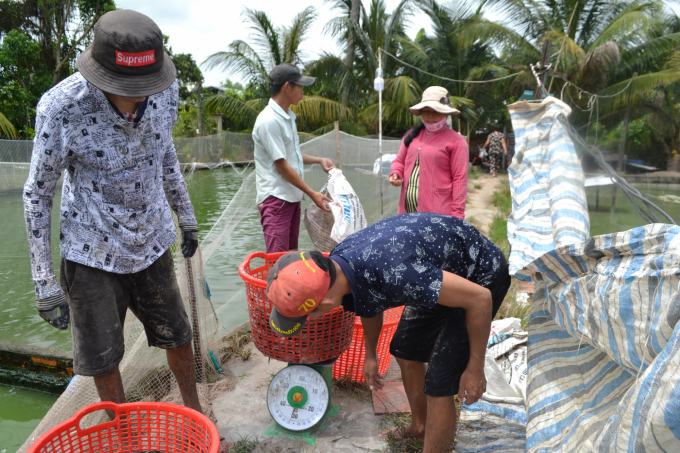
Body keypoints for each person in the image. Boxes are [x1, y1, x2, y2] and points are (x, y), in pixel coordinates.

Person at [23, 10, 228, 451]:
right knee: (102, 358)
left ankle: (195, 413)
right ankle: (124, 439)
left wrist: (185, 213)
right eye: (125, 90)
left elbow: (165, 151)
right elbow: (37, 195)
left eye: (145, 89)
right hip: (90, 250)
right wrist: (44, 281)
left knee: (178, 332)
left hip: (152, 240)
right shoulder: (61, 108)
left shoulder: (167, 92)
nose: (137, 99)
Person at [265, 213, 511, 453]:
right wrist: (371, 356)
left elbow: (480, 299)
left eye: (306, 315)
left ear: (325, 304)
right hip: (438, 272)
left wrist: (475, 369)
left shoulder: (398, 274)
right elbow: (368, 300)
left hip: (480, 275)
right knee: (405, 350)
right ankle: (420, 427)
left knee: (439, 381)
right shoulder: (339, 264)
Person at [252, 64, 335, 253]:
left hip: (291, 198)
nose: (303, 92)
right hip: (276, 200)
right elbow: (282, 165)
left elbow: (293, 155)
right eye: (300, 86)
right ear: (287, 87)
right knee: (278, 262)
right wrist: (312, 193)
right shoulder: (269, 120)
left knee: (290, 259)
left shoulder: (287, 117)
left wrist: (319, 160)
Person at [389, 86, 468, 219]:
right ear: (421, 112)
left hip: (437, 214)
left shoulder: (456, 141)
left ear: (446, 113)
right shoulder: (411, 136)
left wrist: (457, 216)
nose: (430, 115)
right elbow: (399, 161)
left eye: (436, 111)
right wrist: (396, 173)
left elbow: (460, 180)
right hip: (407, 212)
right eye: (426, 111)